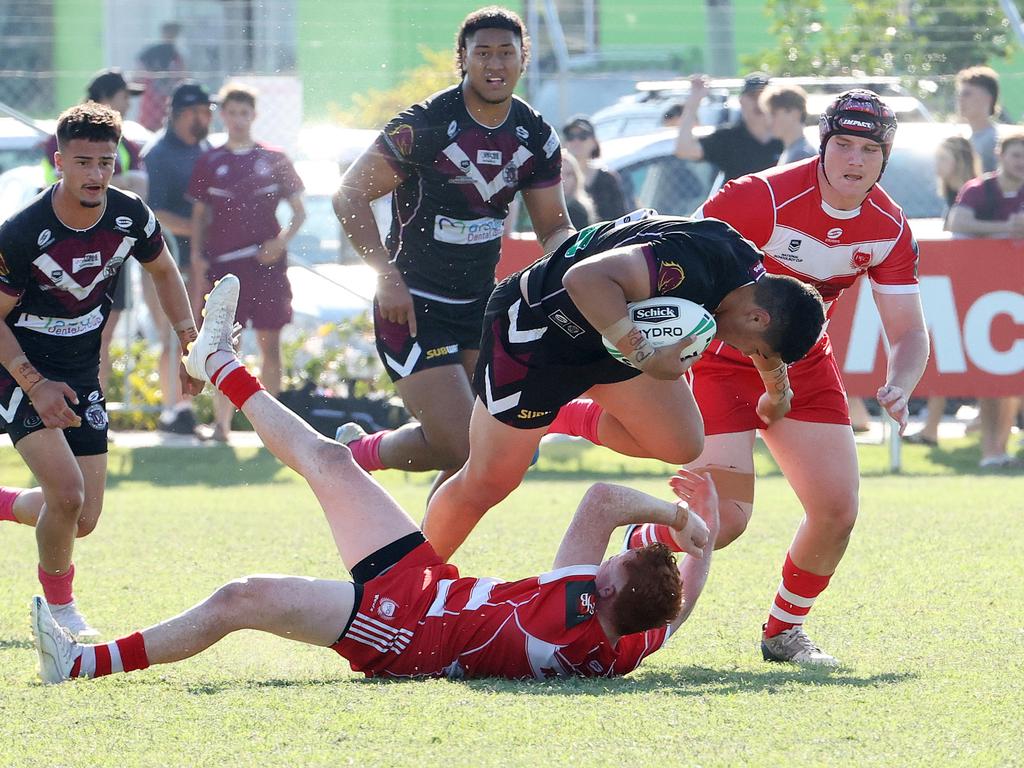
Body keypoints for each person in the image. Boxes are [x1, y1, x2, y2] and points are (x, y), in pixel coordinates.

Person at [31, 275, 719, 684]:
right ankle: (217, 363)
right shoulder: (625, 640)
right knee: (330, 459)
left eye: (616, 565)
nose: (608, 560)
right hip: (430, 588)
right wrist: (705, 553)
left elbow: (604, 499)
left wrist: (685, 524)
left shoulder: (581, 599)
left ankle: (84, 665)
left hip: (407, 633)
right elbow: (676, 611)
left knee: (240, 598)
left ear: (603, 591)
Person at [552, 91, 930, 665]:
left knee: (837, 511)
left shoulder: (889, 228)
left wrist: (901, 381)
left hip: (801, 361)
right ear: (823, 144)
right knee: (723, 523)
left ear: (886, 157)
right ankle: (628, 517)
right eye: (843, 144)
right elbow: (679, 269)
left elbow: (908, 332)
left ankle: (783, 632)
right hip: (718, 356)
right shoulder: (760, 196)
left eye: (869, 149)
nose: (854, 159)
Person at [422, 211, 825, 560]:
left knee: (682, 443)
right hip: (538, 332)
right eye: (749, 346)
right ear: (757, 319)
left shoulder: (752, 287)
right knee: (490, 481)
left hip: (610, 339)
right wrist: (646, 356)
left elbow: (768, 350)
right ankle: (400, 587)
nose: (741, 350)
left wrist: (778, 394)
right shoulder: (691, 265)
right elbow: (584, 279)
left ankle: (566, 416)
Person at [333, 7, 574, 489]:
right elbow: (349, 195)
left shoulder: (535, 135)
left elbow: (554, 227)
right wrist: (385, 277)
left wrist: (574, 270)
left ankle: (428, 556)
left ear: (523, 59)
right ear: (461, 59)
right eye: (482, 52)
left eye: (506, 52)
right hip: (414, 307)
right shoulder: (424, 125)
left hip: (480, 310)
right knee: (462, 444)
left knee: (493, 453)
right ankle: (357, 453)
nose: (495, 64)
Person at [0, 103, 202, 636]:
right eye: (84, 162)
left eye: (106, 163)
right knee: (65, 495)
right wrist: (36, 385)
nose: (95, 174)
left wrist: (188, 341)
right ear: (59, 160)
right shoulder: (22, 233)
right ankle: (59, 611)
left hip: (80, 370)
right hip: (18, 366)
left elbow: (163, 270)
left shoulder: (130, 213)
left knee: (81, 517)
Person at [189, 83, 306, 442]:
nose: (238, 120)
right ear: (222, 115)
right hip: (225, 268)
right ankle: (221, 425)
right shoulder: (210, 160)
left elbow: (299, 213)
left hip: (267, 266)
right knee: (225, 345)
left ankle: (273, 431)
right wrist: (196, 259)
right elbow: (199, 217)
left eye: (245, 113)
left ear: (254, 116)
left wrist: (280, 242)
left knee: (270, 343)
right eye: (232, 113)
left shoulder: (275, 158)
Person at [40, 68, 148, 394]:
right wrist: (119, 182)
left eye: (105, 162)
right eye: (125, 96)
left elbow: (142, 186)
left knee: (105, 331)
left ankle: (93, 402)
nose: (129, 104)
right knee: (62, 332)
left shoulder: (124, 140)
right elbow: (61, 185)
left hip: (111, 247)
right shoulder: (64, 136)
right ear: (106, 97)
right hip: (62, 245)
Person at [946, 132, 1024, 468]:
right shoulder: (979, 189)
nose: (1020, 163)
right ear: (1000, 155)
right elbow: (958, 221)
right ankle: (993, 450)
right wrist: (1006, 228)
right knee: (993, 376)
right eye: (1015, 155)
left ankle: (1000, 448)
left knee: (1011, 377)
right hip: (986, 294)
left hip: (1016, 293)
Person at [143, 81, 213, 436]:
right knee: (174, 338)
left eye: (208, 111)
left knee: (197, 341)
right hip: (166, 264)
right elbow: (156, 212)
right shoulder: (159, 154)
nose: (206, 118)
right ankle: (174, 411)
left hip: (203, 263)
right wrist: (198, 229)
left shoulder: (209, 149)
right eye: (199, 112)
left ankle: (187, 410)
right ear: (180, 115)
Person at [904, 136, 980, 447]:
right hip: (957, 283)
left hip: (973, 285)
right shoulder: (953, 194)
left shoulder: (974, 194)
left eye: (943, 159)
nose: (936, 166)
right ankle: (932, 427)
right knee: (944, 352)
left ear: (958, 160)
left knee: (948, 351)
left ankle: (937, 426)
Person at [673, 72, 783, 182]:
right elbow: (684, 149)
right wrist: (694, 100)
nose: (758, 102)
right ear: (741, 100)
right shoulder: (729, 139)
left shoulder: (787, 137)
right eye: (752, 96)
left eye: (764, 96)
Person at [562, 116, 634, 221]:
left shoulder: (607, 179)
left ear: (594, 142)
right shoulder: (555, 178)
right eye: (570, 136)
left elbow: (621, 218)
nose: (576, 141)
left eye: (583, 136)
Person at [136, 21, 186, 132]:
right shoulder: (150, 54)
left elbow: (182, 78)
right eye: (169, 33)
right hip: (151, 101)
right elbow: (139, 76)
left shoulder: (176, 56)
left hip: (167, 102)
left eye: (174, 34)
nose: (171, 37)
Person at [955, 66, 1000, 173]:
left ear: (987, 98)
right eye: (959, 94)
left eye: (967, 94)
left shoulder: (995, 141)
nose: (960, 99)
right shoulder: (963, 140)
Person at [760, 83, 815, 165]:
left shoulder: (801, 155)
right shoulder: (792, 151)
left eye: (774, 114)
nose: (769, 121)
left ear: (794, 113)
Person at [561, 152, 594, 229]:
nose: (563, 179)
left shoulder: (578, 210)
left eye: (568, 174)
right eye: (559, 173)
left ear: (576, 178)